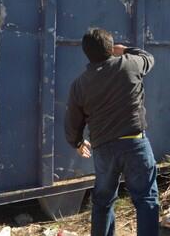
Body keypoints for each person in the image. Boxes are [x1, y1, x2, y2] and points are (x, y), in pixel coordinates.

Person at [65, 28, 159, 236]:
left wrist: (78, 143)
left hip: (104, 149)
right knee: (146, 200)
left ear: (86, 53)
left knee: (103, 201)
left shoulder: (79, 85)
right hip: (135, 144)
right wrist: (125, 49)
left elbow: (73, 121)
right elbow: (148, 58)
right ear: (111, 49)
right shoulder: (129, 64)